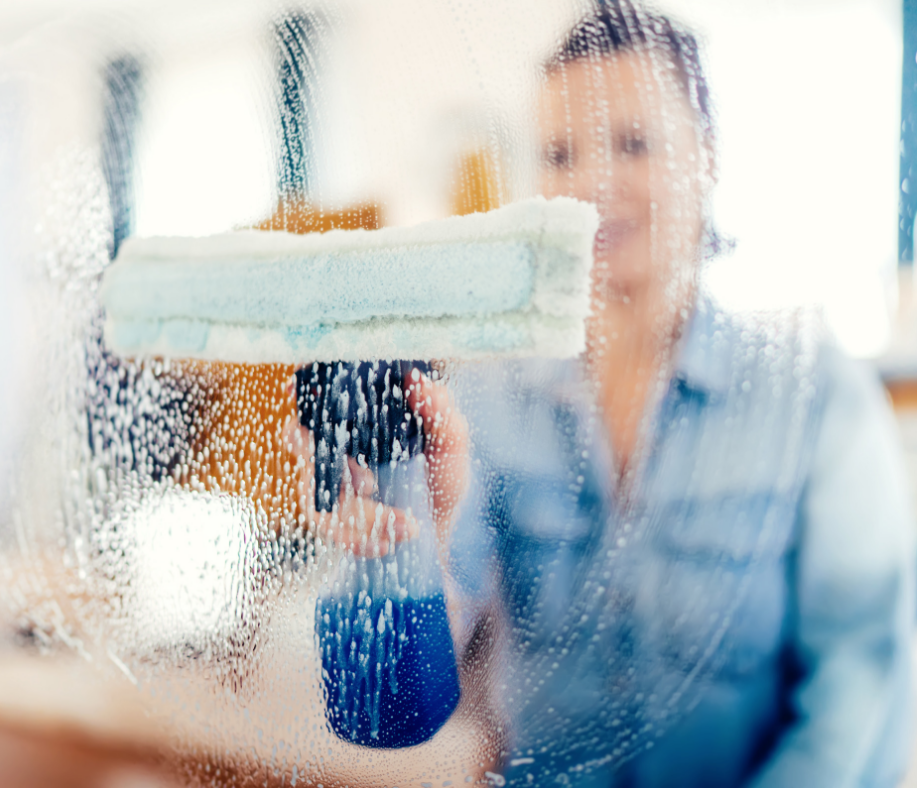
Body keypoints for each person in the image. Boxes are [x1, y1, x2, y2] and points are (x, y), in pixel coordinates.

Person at [286, 3, 916, 786]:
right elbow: (402, 705)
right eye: (559, 153)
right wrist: (405, 543)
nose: (592, 183)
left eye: (634, 143)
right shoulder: (482, 393)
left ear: (707, 155)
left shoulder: (814, 390)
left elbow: (861, 689)